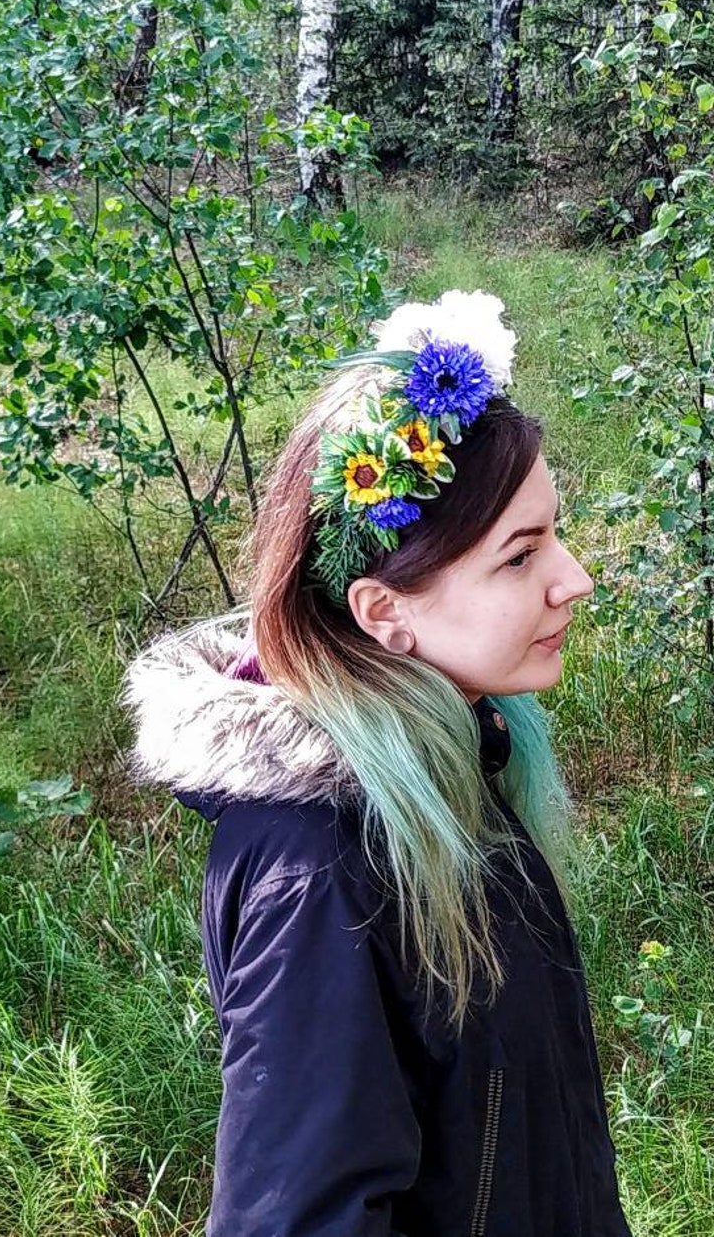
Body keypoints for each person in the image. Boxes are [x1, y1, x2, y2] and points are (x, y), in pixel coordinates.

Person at [124, 290, 633, 1236]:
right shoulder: (322, 870)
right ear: (384, 613)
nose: (575, 577)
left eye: (555, 530)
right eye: (520, 557)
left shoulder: (460, 758)